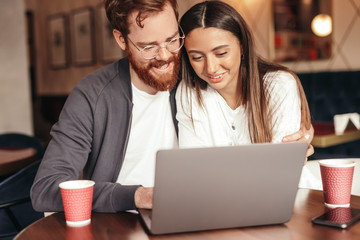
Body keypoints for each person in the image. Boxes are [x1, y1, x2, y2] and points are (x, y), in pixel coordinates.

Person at [31, 0, 313, 213]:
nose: (165, 57)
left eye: (171, 40)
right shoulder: (93, 95)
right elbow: (45, 190)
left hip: (198, 216)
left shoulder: (196, 78)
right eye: (148, 47)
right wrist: (137, 196)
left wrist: (288, 153)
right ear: (121, 40)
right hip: (120, 221)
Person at [176, 1, 312, 149]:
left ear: (242, 46)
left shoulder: (279, 84)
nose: (211, 68)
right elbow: (195, 163)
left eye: (221, 53)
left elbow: (281, 163)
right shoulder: (189, 92)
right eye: (197, 57)